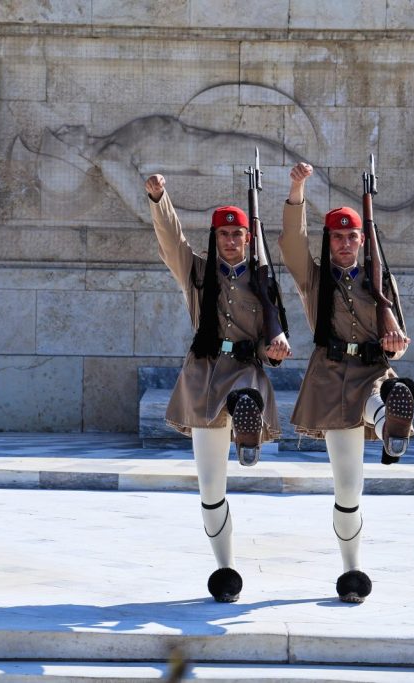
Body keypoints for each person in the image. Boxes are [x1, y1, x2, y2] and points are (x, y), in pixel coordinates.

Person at [146, 173, 291, 603]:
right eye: (223, 234)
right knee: (210, 487)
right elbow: (171, 241)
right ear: (215, 238)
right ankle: (225, 569)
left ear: (248, 239)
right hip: (205, 374)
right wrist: (159, 198)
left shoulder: (263, 281)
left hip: (245, 370)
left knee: (245, 396)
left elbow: (270, 339)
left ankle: (247, 429)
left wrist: (276, 347)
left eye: (237, 234)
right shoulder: (197, 272)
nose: (230, 241)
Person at [279, 162, 414, 604]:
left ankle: (391, 424)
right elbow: (292, 243)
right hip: (332, 379)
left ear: (362, 240)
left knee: (385, 398)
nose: (344, 243)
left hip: (374, 374)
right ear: (329, 240)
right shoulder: (314, 280)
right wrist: (297, 189)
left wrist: (396, 344)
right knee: (347, 487)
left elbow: (398, 344)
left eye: (352, 236)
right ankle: (352, 570)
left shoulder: (381, 280)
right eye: (337, 237)